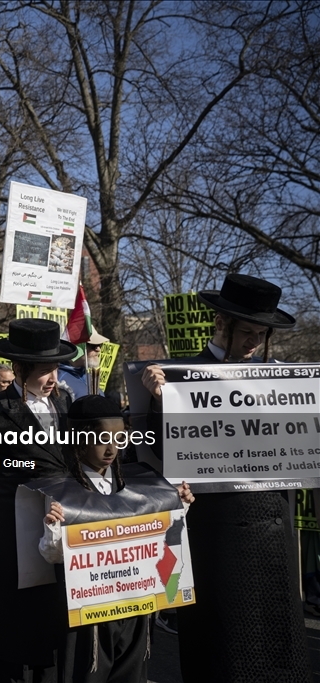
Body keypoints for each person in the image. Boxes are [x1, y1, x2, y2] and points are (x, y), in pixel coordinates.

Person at [139, 273, 310, 681]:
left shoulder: (280, 380)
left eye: (261, 333)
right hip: (216, 533)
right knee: (221, 648)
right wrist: (159, 400)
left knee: (277, 646)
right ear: (221, 324)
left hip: (272, 528)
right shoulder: (180, 377)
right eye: (247, 331)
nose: (254, 341)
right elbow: (158, 451)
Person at [38, 395, 194, 682]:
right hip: (89, 618)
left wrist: (178, 504)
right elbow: (51, 555)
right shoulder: (62, 490)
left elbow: (162, 538)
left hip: (136, 610)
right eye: (102, 439)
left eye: (120, 437)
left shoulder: (139, 482)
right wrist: (55, 529)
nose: (112, 448)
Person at [0, 318, 76, 683]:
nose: (53, 378)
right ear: (20, 369)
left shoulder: (66, 406)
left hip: (58, 521)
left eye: (56, 368)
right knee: (15, 620)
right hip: (11, 529)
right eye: (44, 370)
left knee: (52, 616)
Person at [57, 332, 109, 399]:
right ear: (77, 347)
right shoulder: (59, 378)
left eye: (100, 345)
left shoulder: (89, 376)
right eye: (92, 345)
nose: (98, 349)